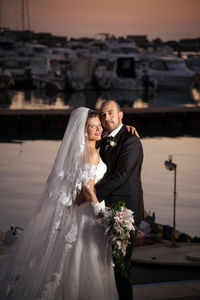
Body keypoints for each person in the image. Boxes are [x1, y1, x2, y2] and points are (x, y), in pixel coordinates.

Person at [0, 107, 119, 300]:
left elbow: (78, 192)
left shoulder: (81, 154)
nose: (98, 129)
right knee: (86, 264)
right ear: (83, 130)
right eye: (92, 126)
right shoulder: (93, 155)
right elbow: (87, 190)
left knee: (68, 263)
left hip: (77, 214)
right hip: (89, 218)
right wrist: (102, 215)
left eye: (99, 125)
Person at [95, 100, 144, 300]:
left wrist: (91, 194)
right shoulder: (104, 138)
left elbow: (122, 175)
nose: (107, 118)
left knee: (121, 266)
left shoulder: (131, 140)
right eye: (103, 115)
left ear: (121, 115)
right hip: (106, 209)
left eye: (111, 113)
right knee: (108, 264)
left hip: (126, 212)